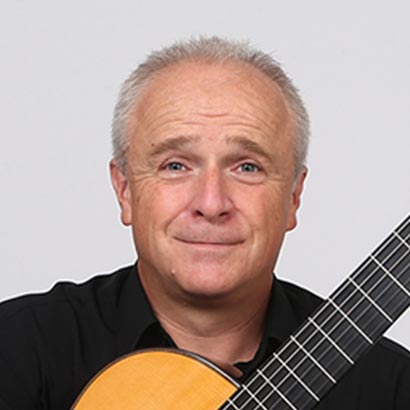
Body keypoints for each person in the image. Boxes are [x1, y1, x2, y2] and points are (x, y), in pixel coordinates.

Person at [0, 36, 409, 409]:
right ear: (125, 190)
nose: (211, 204)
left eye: (247, 167)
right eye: (175, 165)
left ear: (293, 197)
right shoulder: (17, 350)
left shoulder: (392, 388)